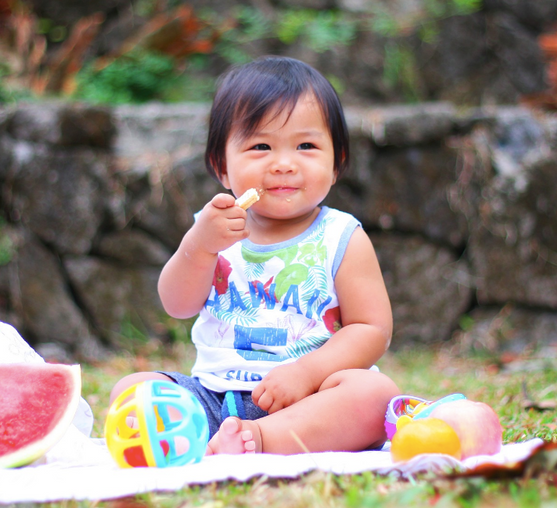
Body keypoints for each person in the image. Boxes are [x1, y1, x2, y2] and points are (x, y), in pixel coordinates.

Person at [110, 56, 399, 455]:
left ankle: (262, 440)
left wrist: (306, 372)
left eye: (306, 146)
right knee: (132, 390)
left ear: (337, 164)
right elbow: (176, 305)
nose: (283, 164)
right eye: (260, 146)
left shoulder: (341, 236)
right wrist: (199, 245)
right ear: (222, 167)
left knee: (375, 394)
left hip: (310, 397)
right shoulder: (213, 228)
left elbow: (371, 329)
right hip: (213, 396)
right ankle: (217, 437)